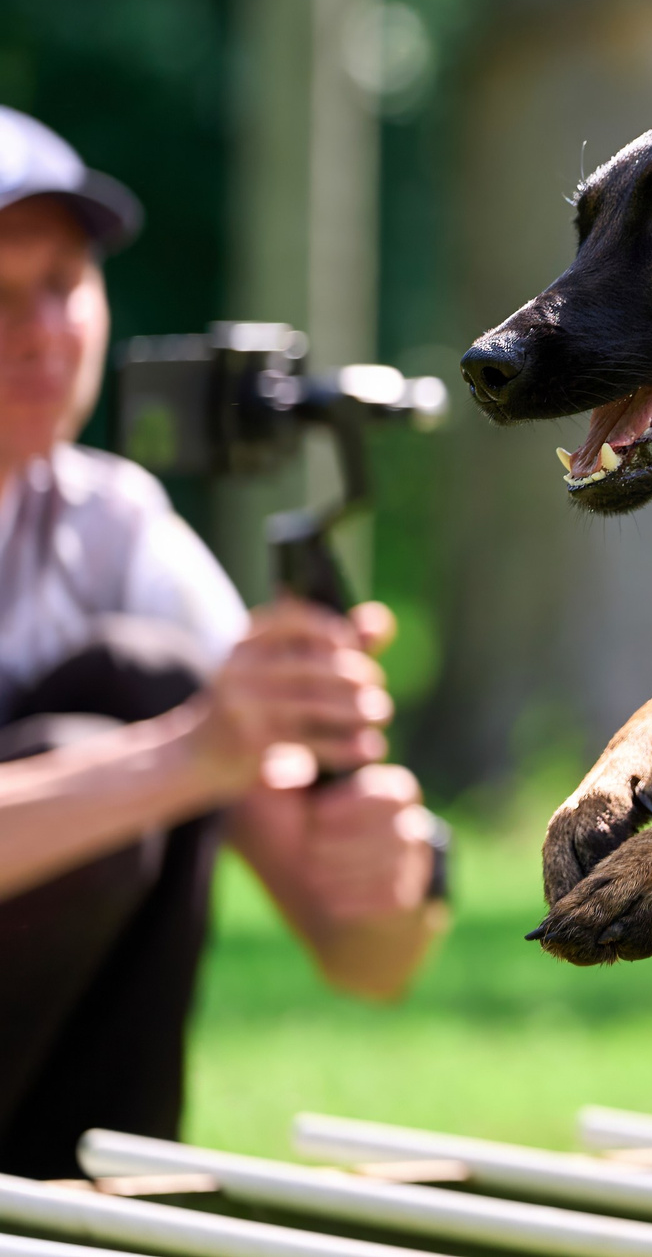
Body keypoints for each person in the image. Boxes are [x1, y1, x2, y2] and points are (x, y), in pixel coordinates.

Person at [0, 108, 447, 1177]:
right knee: (134, 727)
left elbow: (364, 961)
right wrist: (191, 750)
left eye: (63, 282)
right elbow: (196, 745)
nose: (42, 329)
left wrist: (390, 867)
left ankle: (94, 1214)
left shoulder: (112, 526)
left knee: (144, 676)